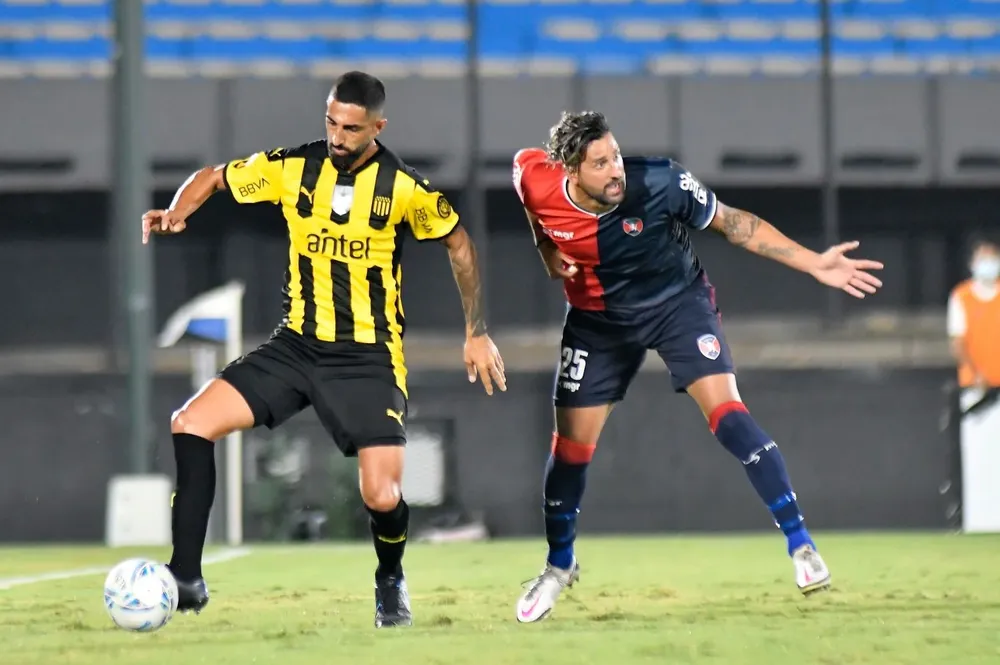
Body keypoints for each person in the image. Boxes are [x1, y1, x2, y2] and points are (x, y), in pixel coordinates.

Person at [141, 71, 506, 629]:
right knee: (190, 424)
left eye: (351, 128)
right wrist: (177, 211)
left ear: (378, 127)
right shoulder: (293, 168)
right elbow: (213, 178)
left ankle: (390, 580)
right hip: (295, 346)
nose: (337, 136)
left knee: (382, 495)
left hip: (367, 357)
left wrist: (476, 330)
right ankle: (186, 579)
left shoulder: (404, 187)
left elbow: (459, 243)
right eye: (331, 122)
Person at [511, 111, 884, 623]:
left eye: (616, 155)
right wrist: (547, 250)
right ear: (570, 170)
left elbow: (736, 225)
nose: (615, 168)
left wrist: (814, 263)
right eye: (601, 163)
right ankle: (558, 566)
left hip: (676, 305)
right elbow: (528, 193)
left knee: (729, 416)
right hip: (598, 322)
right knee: (570, 448)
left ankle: (801, 545)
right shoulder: (535, 176)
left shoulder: (661, 180)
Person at [947, 238, 1000, 393]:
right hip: (974, 386)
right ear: (972, 264)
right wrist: (976, 375)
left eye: (993, 259)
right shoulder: (961, 296)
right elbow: (957, 343)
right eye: (983, 259)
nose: (988, 264)